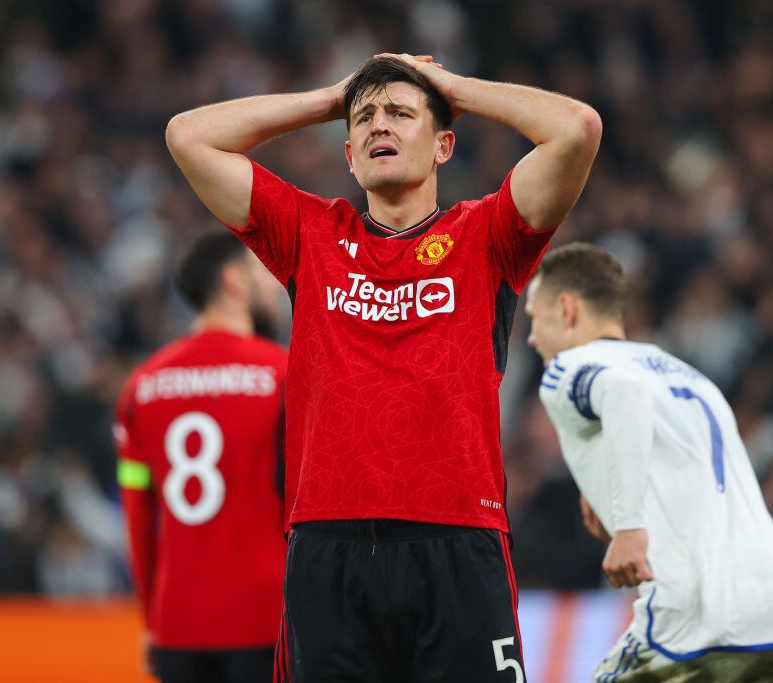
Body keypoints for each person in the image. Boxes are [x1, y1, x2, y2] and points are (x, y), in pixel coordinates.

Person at [165, 54, 601, 681]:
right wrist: (333, 97)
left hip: (458, 540)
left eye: (401, 113)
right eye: (365, 119)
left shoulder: (486, 234)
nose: (378, 126)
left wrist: (454, 88)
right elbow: (188, 135)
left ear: (443, 145)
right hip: (328, 547)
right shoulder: (310, 234)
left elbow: (577, 128)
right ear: (348, 154)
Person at [525, 243, 773, 682]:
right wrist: (610, 494)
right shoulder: (687, 374)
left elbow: (622, 396)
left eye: (535, 318)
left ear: (567, 309)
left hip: (699, 612)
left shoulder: (572, 366)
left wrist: (629, 527)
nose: (533, 337)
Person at [114, 232, 288, 683]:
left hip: (177, 624)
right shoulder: (282, 375)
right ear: (234, 282)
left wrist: (152, 619)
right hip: (266, 621)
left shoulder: (142, 387)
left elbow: (137, 515)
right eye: (261, 273)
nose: (273, 286)